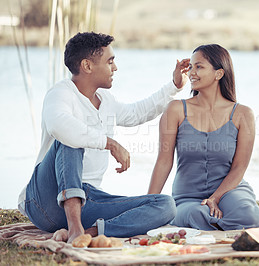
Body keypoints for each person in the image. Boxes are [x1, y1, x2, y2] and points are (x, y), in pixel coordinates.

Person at [17, 32, 190, 243]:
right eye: (110, 61)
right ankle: (74, 228)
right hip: (45, 202)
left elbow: (138, 112)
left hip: (88, 200)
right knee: (71, 139)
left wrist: (174, 85)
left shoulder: (105, 100)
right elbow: (59, 125)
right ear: (88, 66)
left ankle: (89, 233)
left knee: (165, 205)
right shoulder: (60, 93)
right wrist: (109, 143)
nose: (115, 68)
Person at [148, 44, 259, 230]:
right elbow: (163, 161)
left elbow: (239, 167)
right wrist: (149, 205)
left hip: (230, 192)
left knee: (243, 213)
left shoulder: (243, 114)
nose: (192, 72)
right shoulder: (176, 109)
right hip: (187, 197)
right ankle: (256, 217)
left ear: (218, 74)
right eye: (190, 66)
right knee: (195, 215)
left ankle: (257, 215)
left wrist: (214, 198)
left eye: (199, 66)